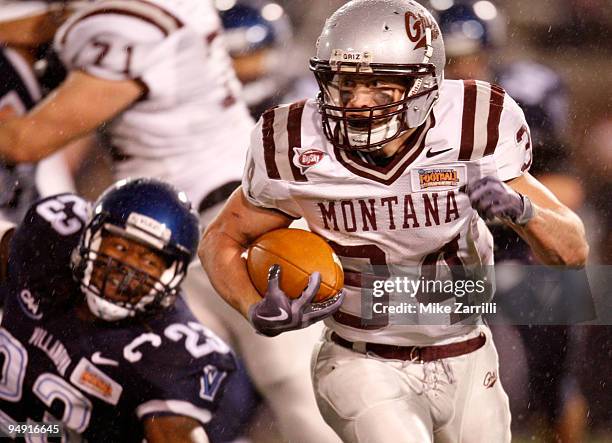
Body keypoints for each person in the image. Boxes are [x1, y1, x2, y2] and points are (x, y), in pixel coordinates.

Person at [199, 0, 589, 442]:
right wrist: (251, 305)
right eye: (345, 83)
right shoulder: (294, 143)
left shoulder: (474, 124)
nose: (358, 102)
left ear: (425, 84)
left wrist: (522, 210)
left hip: (468, 352)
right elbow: (223, 238)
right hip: (361, 360)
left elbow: (572, 251)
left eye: (379, 85)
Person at [0, 1, 340, 441]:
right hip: (166, 248)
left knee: (298, 389)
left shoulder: (134, 28)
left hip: (232, 229)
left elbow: (25, 142)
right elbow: (46, 25)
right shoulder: (164, 9)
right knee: (166, 403)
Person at [0, 177, 236, 442]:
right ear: (89, 236)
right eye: (121, 247)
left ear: (173, 275)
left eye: (148, 260)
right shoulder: (52, 242)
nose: (126, 269)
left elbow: (176, 433)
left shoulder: (172, 350)